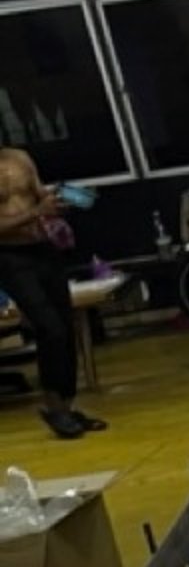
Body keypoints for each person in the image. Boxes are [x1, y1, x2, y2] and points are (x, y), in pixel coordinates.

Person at [0, 146, 105, 438]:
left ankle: (67, 406)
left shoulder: (19, 158)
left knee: (65, 323)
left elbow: (38, 194)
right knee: (50, 327)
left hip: (42, 248)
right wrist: (36, 212)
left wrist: (58, 200)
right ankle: (54, 406)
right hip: (9, 255)